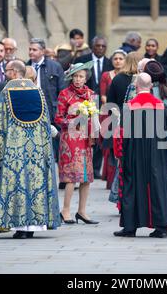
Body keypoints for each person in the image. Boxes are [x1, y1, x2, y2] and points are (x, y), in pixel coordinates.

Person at [0, 60, 60, 238]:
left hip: (14, 150)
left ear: (16, 72)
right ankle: (32, 228)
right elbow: (44, 122)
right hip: (36, 150)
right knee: (34, 184)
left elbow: (0, 123)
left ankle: (19, 227)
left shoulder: (7, 91)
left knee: (17, 185)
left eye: (7, 70)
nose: (5, 74)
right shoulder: (38, 91)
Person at [113, 73, 167, 238]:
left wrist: (120, 155)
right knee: (158, 185)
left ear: (136, 86)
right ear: (151, 86)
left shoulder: (129, 106)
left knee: (132, 186)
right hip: (159, 152)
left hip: (135, 153)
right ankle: (162, 227)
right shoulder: (162, 106)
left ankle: (130, 227)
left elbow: (121, 135)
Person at [55, 61, 99, 225]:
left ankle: (82, 211)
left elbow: (96, 117)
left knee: (86, 177)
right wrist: (73, 120)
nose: (78, 79)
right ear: (71, 77)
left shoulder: (91, 94)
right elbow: (58, 118)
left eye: (81, 76)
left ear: (85, 78)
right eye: (75, 76)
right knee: (72, 176)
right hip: (70, 138)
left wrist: (94, 134)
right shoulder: (64, 94)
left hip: (86, 139)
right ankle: (65, 210)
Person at [74, 36, 114, 179]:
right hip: (85, 102)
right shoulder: (82, 60)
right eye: (98, 46)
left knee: (98, 134)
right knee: (85, 134)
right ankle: (83, 166)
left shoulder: (110, 63)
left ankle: (96, 167)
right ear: (92, 46)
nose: (100, 48)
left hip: (103, 103)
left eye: (103, 46)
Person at [99, 49, 127, 189]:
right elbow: (103, 95)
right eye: (115, 58)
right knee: (110, 147)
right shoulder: (106, 75)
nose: (118, 61)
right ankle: (110, 180)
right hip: (109, 112)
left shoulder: (127, 76)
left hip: (123, 113)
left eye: (121, 59)